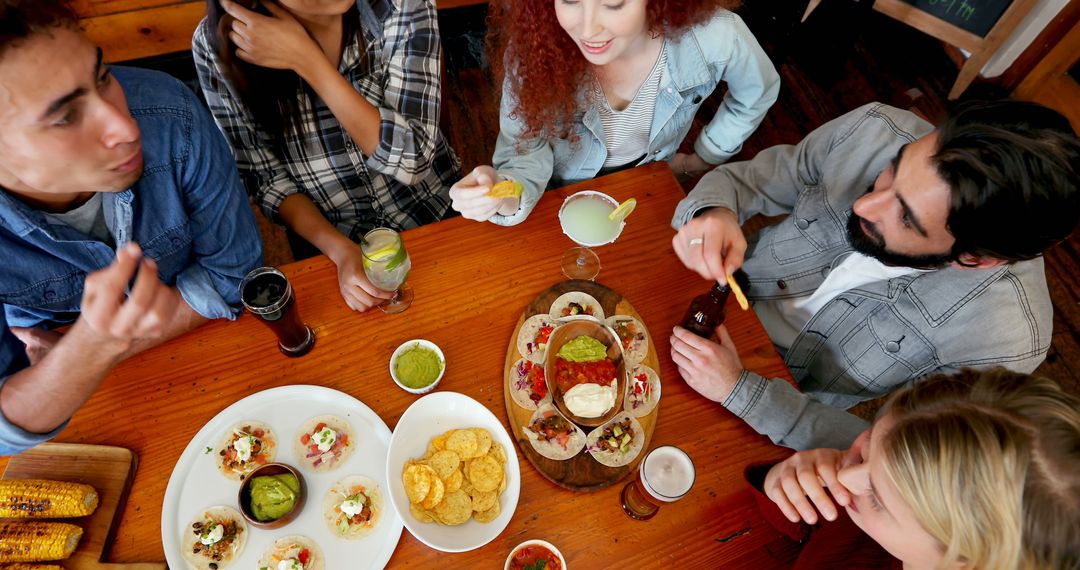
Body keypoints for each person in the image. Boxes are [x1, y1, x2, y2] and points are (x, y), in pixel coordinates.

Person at [670, 100, 1080, 450]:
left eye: (906, 218)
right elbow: (745, 181)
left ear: (973, 259)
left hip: (780, 408)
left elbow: (894, 454)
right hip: (702, 295)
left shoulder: (1005, 339)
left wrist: (741, 391)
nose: (865, 206)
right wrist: (715, 212)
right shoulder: (875, 129)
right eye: (894, 168)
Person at [0, 1, 263, 454]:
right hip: (97, 429)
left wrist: (73, 358)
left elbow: (238, 274)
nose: (124, 125)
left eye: (102, 77)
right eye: (65, 117)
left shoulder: (169, 113)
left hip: (221, 367)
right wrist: (88, 348)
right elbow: (8, 430)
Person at [194, 0, 461, 312]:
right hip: (331, 243)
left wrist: (307, 61)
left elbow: (414, 158)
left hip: (435, 217)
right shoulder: (217, 43)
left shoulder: (399, 4)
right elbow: (267, 180)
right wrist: (340, 252)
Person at [449, 0, 780, 225]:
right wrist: (500, 193)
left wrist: (705, 156)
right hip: (554, 190)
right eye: (570, 0)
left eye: (613, 2)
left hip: (647, 180)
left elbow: (756, 91)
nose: (588, 30)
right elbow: (524, 157)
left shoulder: (716, 36)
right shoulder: (533, 52)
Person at [750, 368, 1080, 569]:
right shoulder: (881, 503)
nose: (847, 475)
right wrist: (784, 481)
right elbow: (802, 526)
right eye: (866, 450)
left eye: (878, 499)